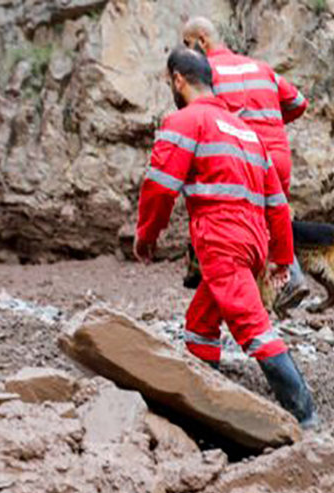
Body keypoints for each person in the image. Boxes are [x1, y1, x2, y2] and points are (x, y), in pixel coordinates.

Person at [134, 45, 318, 429]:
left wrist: (146, 235)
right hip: (252, 241)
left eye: (170, 82)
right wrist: (280, 258)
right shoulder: (247, 133)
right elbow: (278, 206)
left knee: (253, 328)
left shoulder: (185, 122)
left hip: (220, 240)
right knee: (200, 320)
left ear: (178, 80)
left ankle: (305, 414)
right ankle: (205, 398)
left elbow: (160, 187)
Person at [182, 16, 311, 314]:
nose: (187, 54)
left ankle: (255, 304)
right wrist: (273, 122)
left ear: (202, 40)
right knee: (273, 218)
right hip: (278, 157)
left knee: (243, 227)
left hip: (245, 159)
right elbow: (300, 103)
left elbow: (201, 118)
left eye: (188, 46)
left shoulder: (206, 75)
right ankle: (287, 280)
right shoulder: (261, 68)